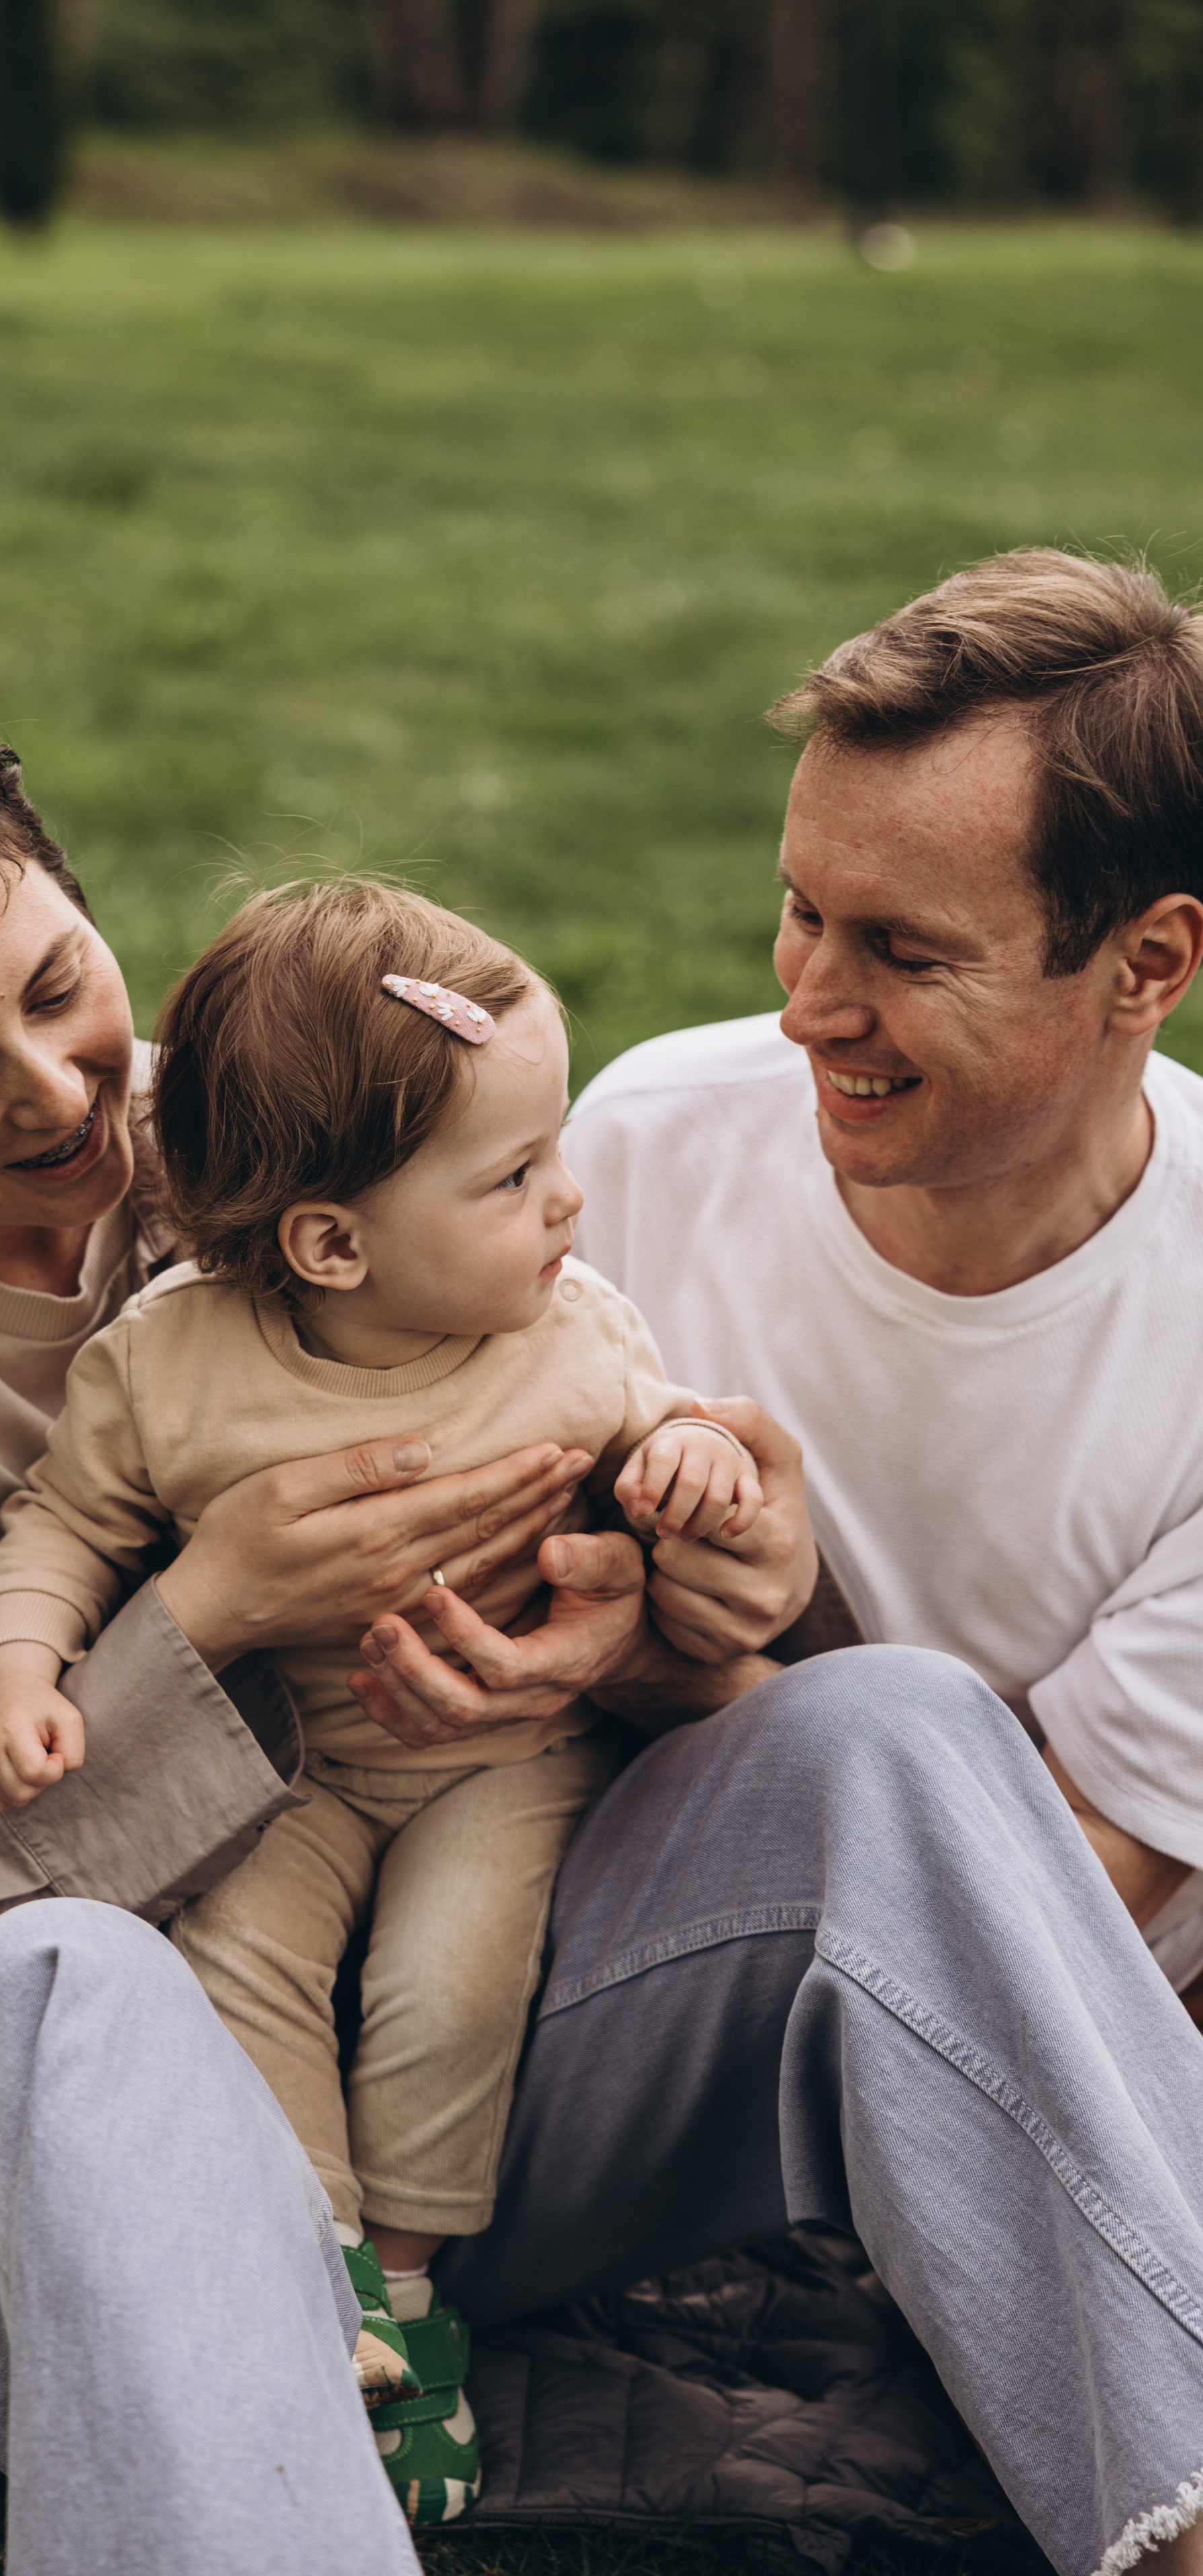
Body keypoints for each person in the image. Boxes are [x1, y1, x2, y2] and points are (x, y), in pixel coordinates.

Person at [0, 690, 812, 2576]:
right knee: (87, 1983)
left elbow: (620, 1472)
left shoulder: (297, 1134)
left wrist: (655, 1626)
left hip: (433, 2054)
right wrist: (208, 1619)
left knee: (888, 1735)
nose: (67, 1096)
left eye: (60, 988)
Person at [415, 550, 1203, 2576]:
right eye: (800, 906)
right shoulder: (658, 1144)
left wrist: (721, 1664)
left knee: (910, 1740)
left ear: (1148, 963)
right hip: (614, 1998)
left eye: (906, 953)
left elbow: (1052, 1909)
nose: (806, 1002)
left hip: (1078, 2061)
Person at [0, 879, 759, 2525]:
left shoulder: (573, 1338)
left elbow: (673, 1434)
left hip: (497, 1754)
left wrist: (689, 1463)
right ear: (331, 1244)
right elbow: (63, 1526)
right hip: (288, 1758)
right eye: (513, 1176)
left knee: (444, 1985)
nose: (567, 1199)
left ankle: (408, 2293)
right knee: (237, 1965)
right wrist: (19, 1668)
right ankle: (311, 2279)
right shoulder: (168, 1366)